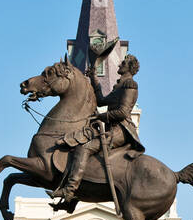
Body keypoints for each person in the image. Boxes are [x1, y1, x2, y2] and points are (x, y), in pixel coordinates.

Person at [51, 54, 144, 203]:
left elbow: (123, 112)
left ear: (130, 68)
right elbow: (101, 101)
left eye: (124, 62)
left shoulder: (130, 85)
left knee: (85, 148)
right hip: (110, 129)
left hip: (120, 131)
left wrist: (101, 117)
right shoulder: (119, 86)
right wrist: (94, 77)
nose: (120, 64)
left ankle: (70, 190)